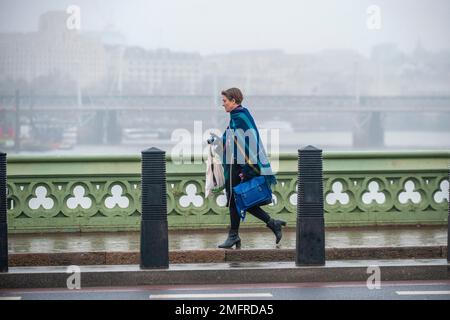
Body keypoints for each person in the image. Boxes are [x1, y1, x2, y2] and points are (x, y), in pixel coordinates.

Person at [211, 87, 286, 249]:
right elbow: (230, 140)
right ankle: (271, 223)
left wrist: (246, 170)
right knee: (238, 199)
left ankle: (234, 235)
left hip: (241, 167)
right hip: (236, 164)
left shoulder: (240, 117)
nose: (222, 104)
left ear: (233, 101)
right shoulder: (237, 116)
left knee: (235, 199)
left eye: (224, 101)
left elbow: (249, 144)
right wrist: (217, 142)